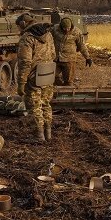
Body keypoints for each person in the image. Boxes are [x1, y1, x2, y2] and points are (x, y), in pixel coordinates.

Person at [15, 13, 57, 143]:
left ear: (23, 24)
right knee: (46, 104)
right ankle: (48, 134)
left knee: (34, 106)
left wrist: (21, 82)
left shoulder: (27, 38)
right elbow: (53, 54)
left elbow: (25, 62)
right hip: (48, 73)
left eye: (18, 26)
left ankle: (39, 136)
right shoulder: (48, 34)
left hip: (34, 76)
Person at [51, 17, 92, 86]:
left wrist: (87, 57)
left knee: (68, 81)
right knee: (52, 77)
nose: (67, 30)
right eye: (65, 28)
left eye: (68, 28)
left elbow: (81, 45)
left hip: (69, 59)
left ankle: (66, 94)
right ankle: (57, 92)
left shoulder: (76, 32)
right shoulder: (55, 29)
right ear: (61, 26)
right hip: (56, 59)